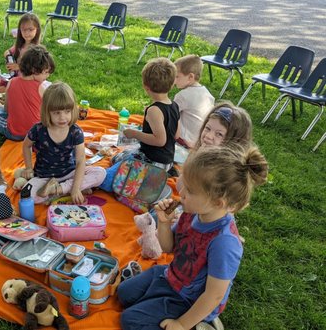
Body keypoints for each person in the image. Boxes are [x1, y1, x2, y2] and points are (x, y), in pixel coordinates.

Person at [117, 144, 269, 330]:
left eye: (190, 190)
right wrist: (164, 224)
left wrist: (181, 323)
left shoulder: (224, 243)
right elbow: (168, 248)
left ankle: (199, 324)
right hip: (171, 276)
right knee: (123, 293)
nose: (181, 194)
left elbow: (214, 295)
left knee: (130, 320)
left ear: (217, 202)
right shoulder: (192, 212)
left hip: (188, 299)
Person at [21, 82, 106, 204]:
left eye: (67, 111)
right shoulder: (38, 129)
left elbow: (81, 161)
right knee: (28, 196)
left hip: (69, 174)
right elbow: (26, 145)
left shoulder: (75, 131)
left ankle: (59, 190)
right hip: (44, 177)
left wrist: (76, 188)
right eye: (57, 113)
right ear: (47, 111)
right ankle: (64, 191)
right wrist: (28, 168)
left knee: (100, 173)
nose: (62, 117)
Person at [114, 58, 180, 170]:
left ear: (146, 86)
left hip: (153, 163)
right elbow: (177, 135)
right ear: (173, 83)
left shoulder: (154, 110)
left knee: (117, 159)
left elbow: (160, 140)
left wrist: (135, 133)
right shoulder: (174, 105)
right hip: (167, 161)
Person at [0, 45, 55, 141]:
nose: (48, 76)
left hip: (15, 133)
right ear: (34, 70)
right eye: (46, 72)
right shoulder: (42, 88)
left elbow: (7, 110)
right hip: (37, 134)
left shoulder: (11, 82)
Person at [173, 55, 215, 148]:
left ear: (190, 77)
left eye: (177, 77)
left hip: (184, 140)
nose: (174, 81)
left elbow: (169, 114)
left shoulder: (183, 96)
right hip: (200, 140)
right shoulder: (207, 94)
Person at [4, 13, 42, 78]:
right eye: (24, 30)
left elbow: (36, 69)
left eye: (30, 29)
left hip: (28, 81)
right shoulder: (20, 45)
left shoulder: (38, 50)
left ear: (37, 30)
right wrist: (9, 60)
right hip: (15, 78)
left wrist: (19, 67)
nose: (27, 33)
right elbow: (7, 52)